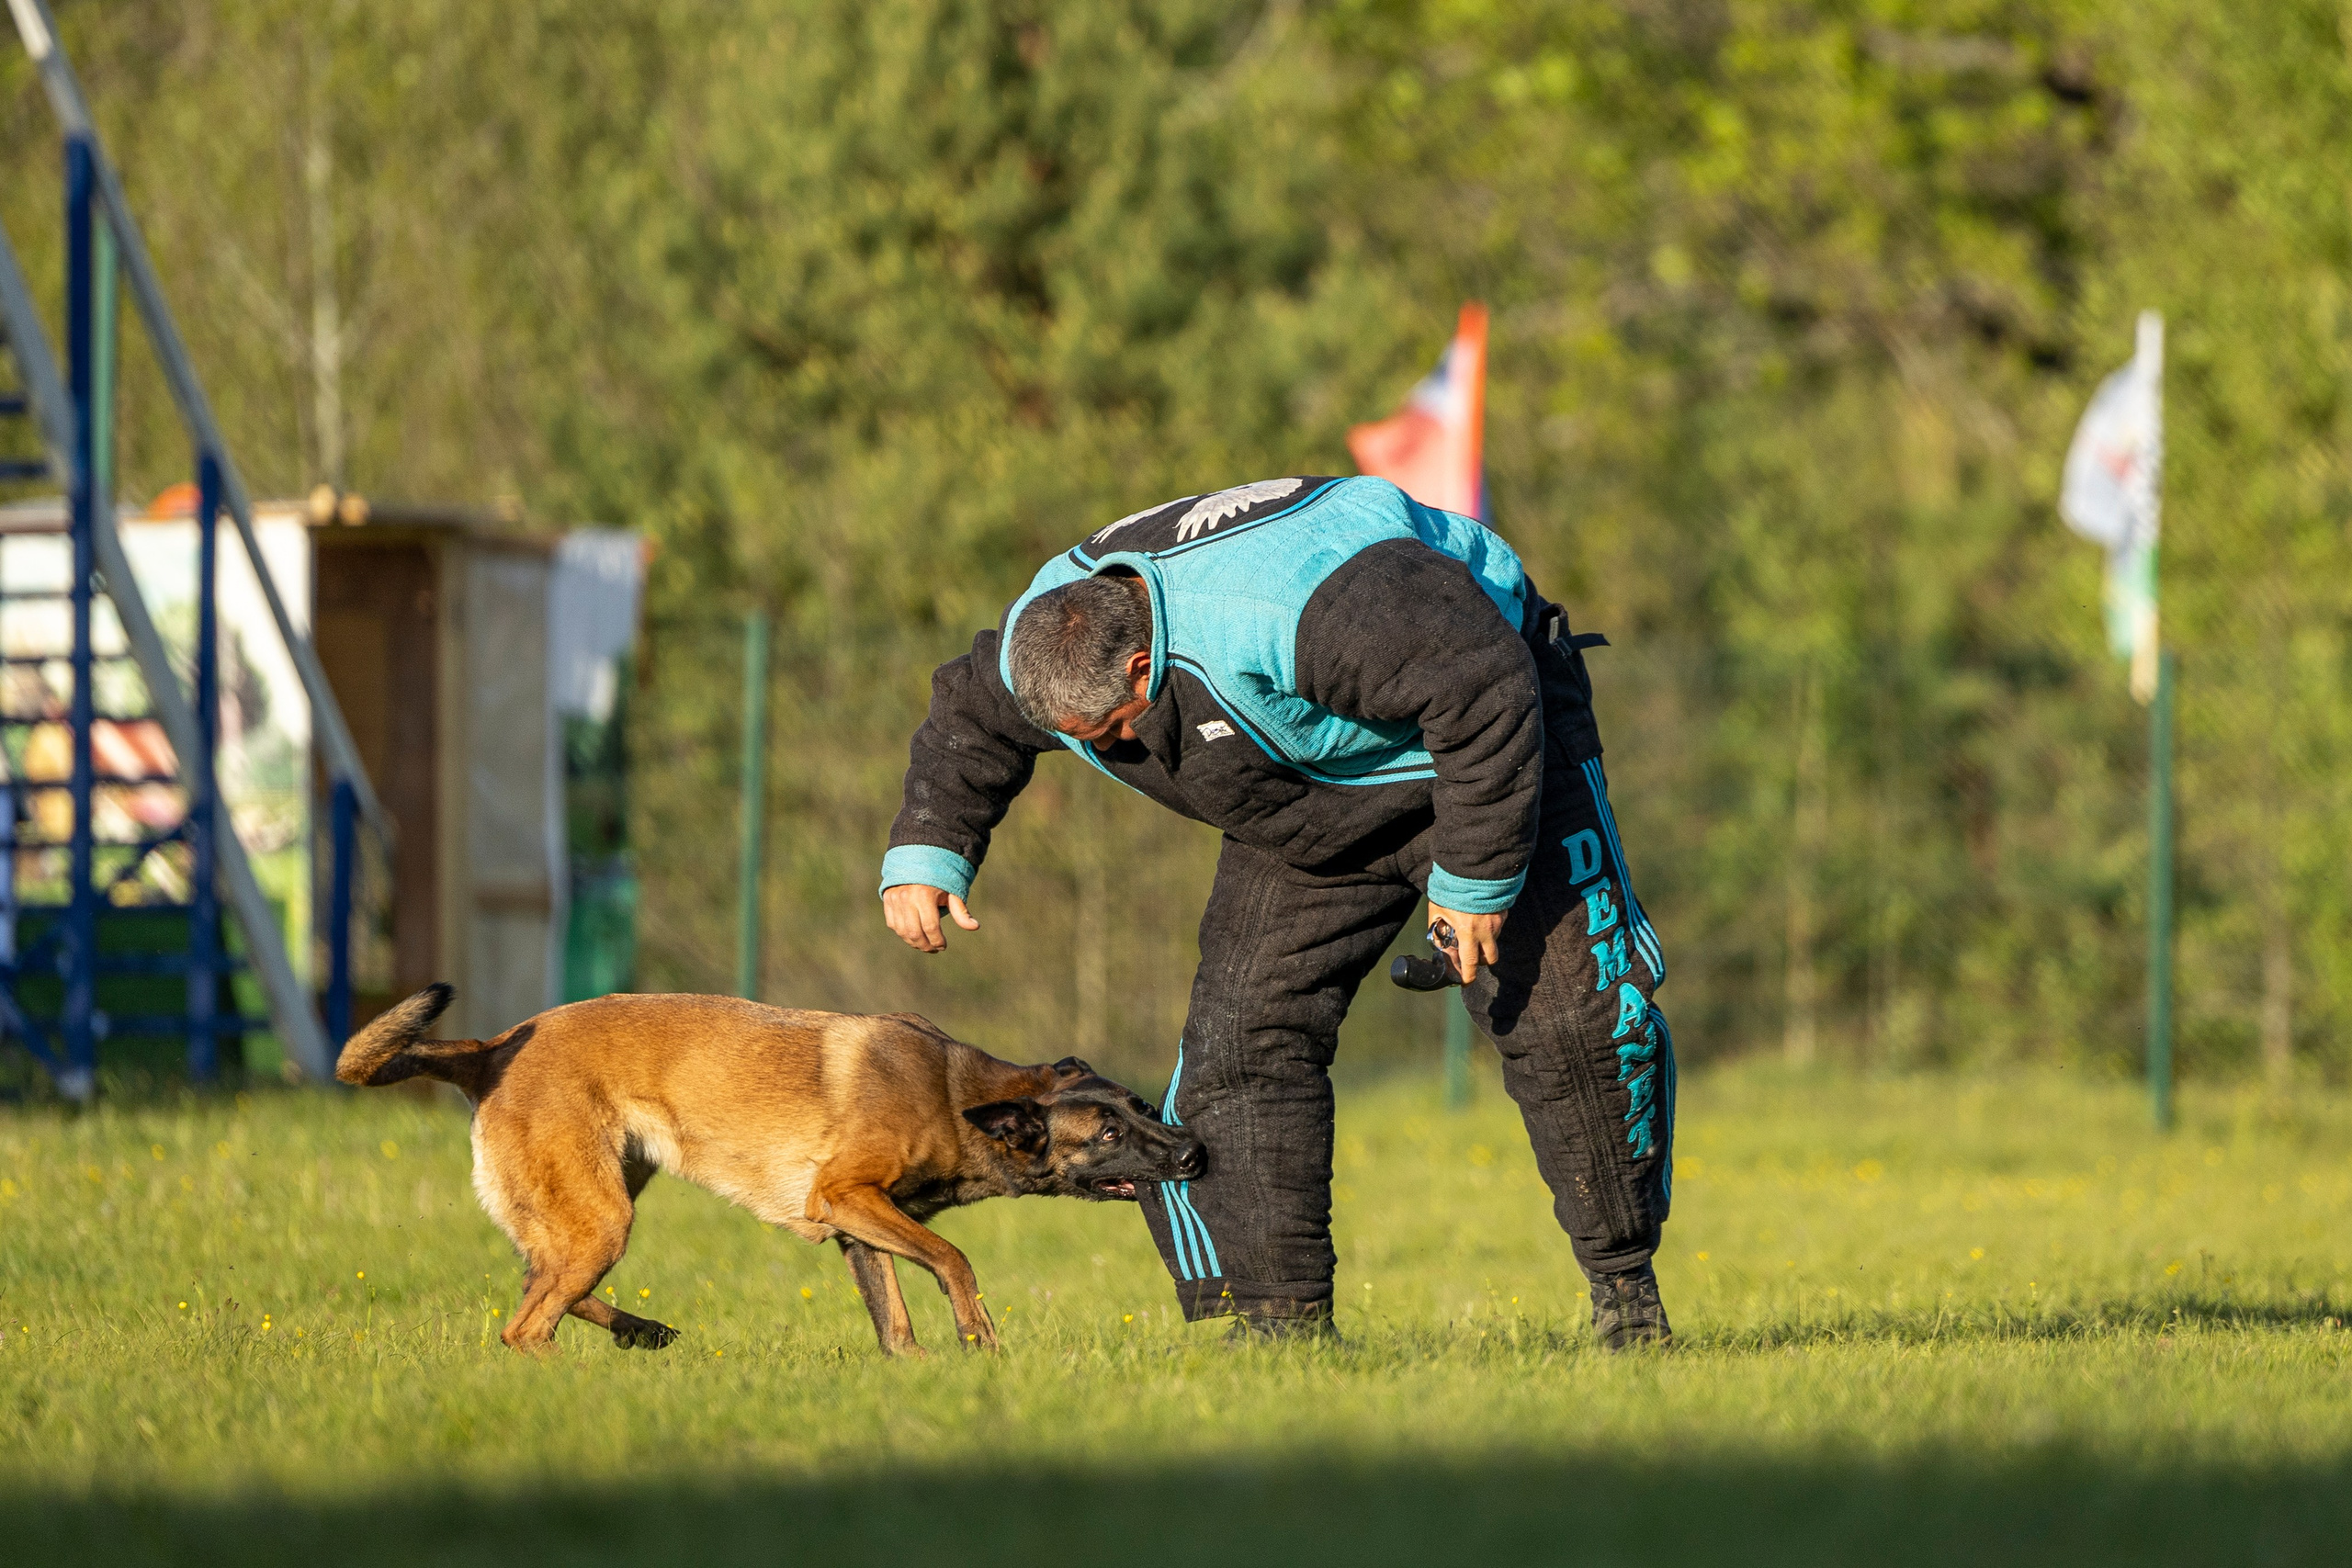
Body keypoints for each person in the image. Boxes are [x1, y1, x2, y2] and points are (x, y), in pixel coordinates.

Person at [878, 475, 1675, 1348]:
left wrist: (1475, 877)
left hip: (1492, 746)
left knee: (1575, 1022)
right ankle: (1276, 1328)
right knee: (1238, 1048)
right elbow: (968, 715)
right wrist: (927, 853)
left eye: (1110, 729)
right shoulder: (1049, 634)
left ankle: (1625, 1297)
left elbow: (1484, 684)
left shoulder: (1308, 606)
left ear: (1143, 665)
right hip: (1303, 809)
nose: (1112, 749)